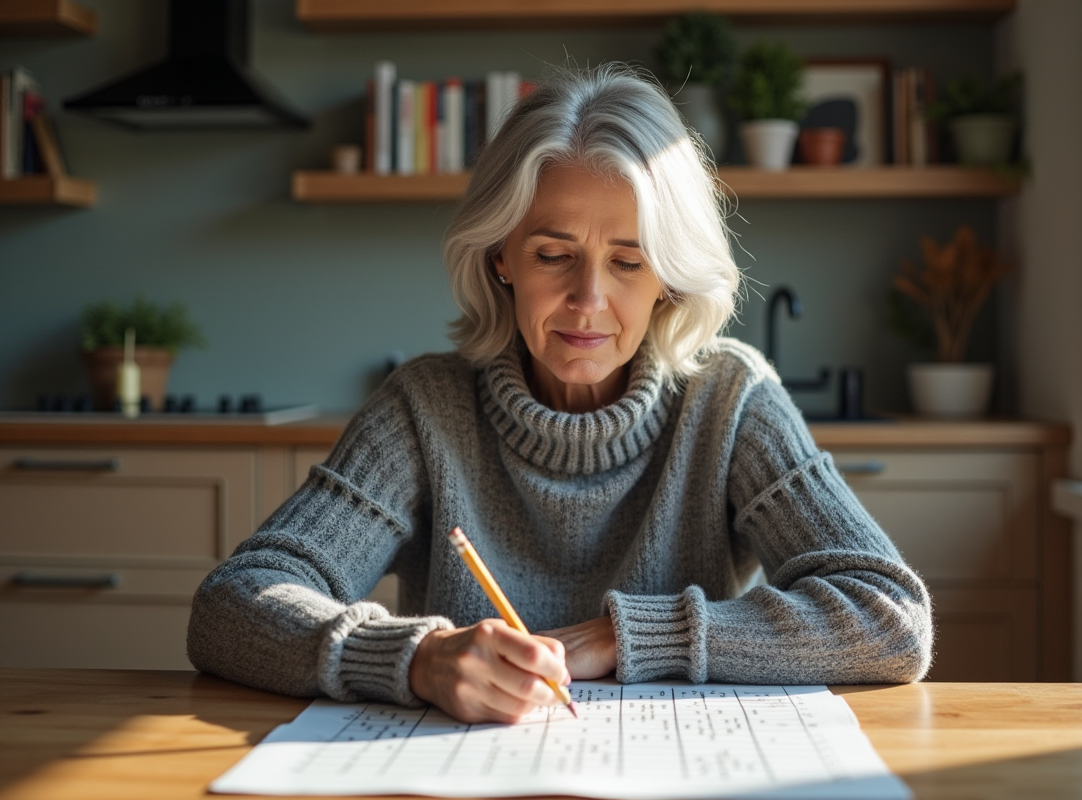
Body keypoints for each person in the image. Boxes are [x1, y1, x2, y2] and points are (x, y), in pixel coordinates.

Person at [187, 65, 933, 724]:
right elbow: (234, 605)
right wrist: (417, 658)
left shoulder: (730, 399)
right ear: (501, 255)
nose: (589, 299)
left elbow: (889, 618)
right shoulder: (423, 408)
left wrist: (626, 636)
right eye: (554, 254)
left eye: (628, 262)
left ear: (669, 277)